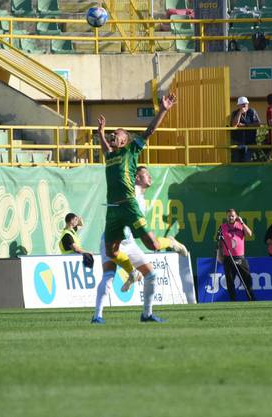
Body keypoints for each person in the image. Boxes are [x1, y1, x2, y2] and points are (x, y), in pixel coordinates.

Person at [97, 93, 187, 322]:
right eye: (112, 135)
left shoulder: (130, 152)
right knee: (111, 252)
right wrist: (100, 133)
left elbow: (148, 133)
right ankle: (132, 273)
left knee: (154, 245)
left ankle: (171, 243)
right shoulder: (109, 156)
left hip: (128, 207)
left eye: (116, 134)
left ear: (125, 140)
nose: (113, 136)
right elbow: (105, 147)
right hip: (112, 210)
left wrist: (163, 110)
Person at [92, 166, 188, 324]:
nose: (149, 177)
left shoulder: (141, 198)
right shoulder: (132, 192)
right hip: (113, 239)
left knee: (151, 274)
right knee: (108, 276)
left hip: (129, 243)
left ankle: (146, 314)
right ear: (137, 178)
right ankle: (97, 316)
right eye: (145, 175)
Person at [218, 208, 255, 301]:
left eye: (233, 216)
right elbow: (219, 242)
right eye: (229, 216)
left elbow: (249, 234)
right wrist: (219, 255)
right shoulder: (222, 227)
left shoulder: (240, 225)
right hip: (228, 258)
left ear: (236, 216)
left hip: (240, 258)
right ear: (226, 216)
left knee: (247, 279)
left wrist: (242, 223)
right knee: (230, 281)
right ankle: (233, 301)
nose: (231, 217)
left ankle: (251, 299)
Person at [230, 96, 261, 162]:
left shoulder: (252, 112)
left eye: (246, 104)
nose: (245, 105)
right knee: (236, 162)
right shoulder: (235, 113)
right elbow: (234, 125)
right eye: (242, 104)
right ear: (238, 105)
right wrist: (240, 112)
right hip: (237, 142)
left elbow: (258, 124)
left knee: (247, 161)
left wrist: (245, 125)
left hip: (249, 142)